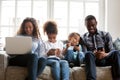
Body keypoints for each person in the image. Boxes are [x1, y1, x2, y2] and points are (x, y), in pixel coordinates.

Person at [82, 15, 120, 80]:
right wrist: (94, 54)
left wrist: (105, 54)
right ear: (85, 25)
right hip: (93, 61)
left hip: (106, 58)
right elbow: (84, 54)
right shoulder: (83, 38)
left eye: (93, 25)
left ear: (96, 23)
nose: (91, 28)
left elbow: (111, 50)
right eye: (88, 26)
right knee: (88, 54)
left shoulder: (106, 34)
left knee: (116, 52)